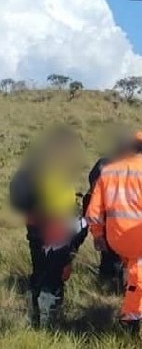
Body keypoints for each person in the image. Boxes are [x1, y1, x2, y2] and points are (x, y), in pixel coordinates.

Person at [85, 131, 142, 334]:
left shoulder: (108, 172)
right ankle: (129, 320)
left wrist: (97, 235)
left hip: (115, 239)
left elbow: (94, 211)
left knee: (141, 275)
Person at [9, 127, 88, 328]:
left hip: (35, 227)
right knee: (54, 276)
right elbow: (61, 203)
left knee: (39, 271)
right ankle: (50, 321)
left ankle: (34, 316)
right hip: (56, 228)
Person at [81, 131, 133, 291]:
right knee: (119, 258)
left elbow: (91, 194)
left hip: (104, 219)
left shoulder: (103, 165)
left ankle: (106, 287)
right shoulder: (134, 169)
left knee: (109, 256)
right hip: (120, 221)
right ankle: (114, 288)